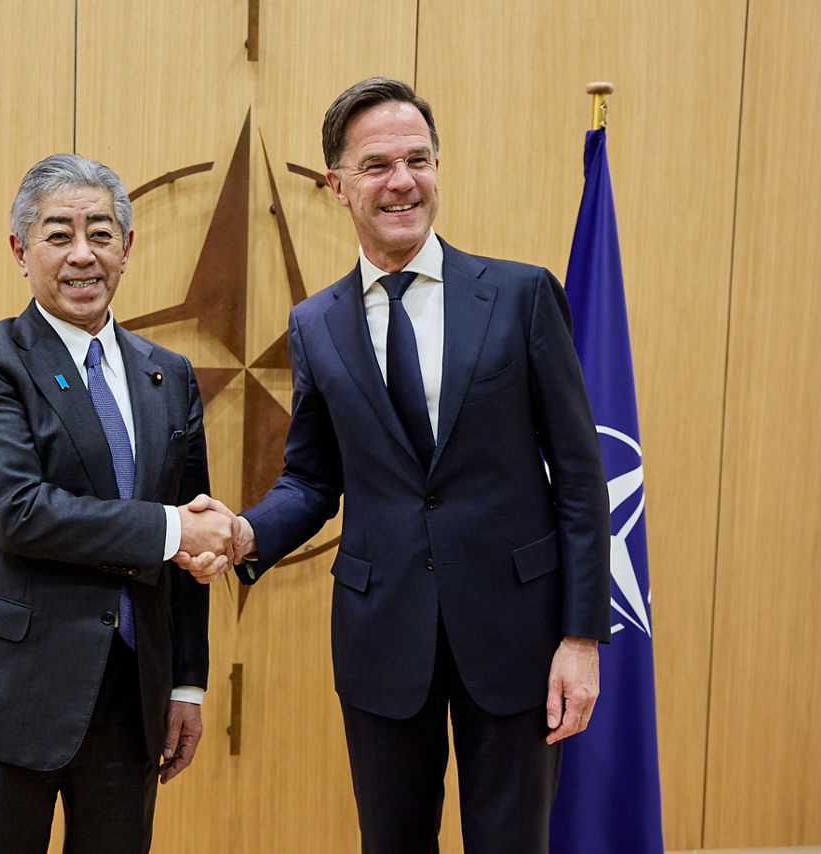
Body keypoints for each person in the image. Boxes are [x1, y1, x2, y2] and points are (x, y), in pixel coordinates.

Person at [180, 78, 611, 853]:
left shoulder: (520, 297)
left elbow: (580, 478)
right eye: (377, 165)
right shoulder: (315, 325)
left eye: (418, 159)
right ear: (337, 186)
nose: (402, 181)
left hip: (518, 635)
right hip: (383, 638)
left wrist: (581, 639)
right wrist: (245, 533)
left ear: (439, 168)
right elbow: (313, 479)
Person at [0, 153, 234, 854]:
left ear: (127, 248)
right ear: (21, 251)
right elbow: (17, 510)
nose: (83, 254)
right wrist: (176, 529)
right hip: (1, 695)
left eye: (101, 234)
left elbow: (189, 545)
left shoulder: (167, 375)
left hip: (127, 701)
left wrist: (188, 685)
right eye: (59, 234)